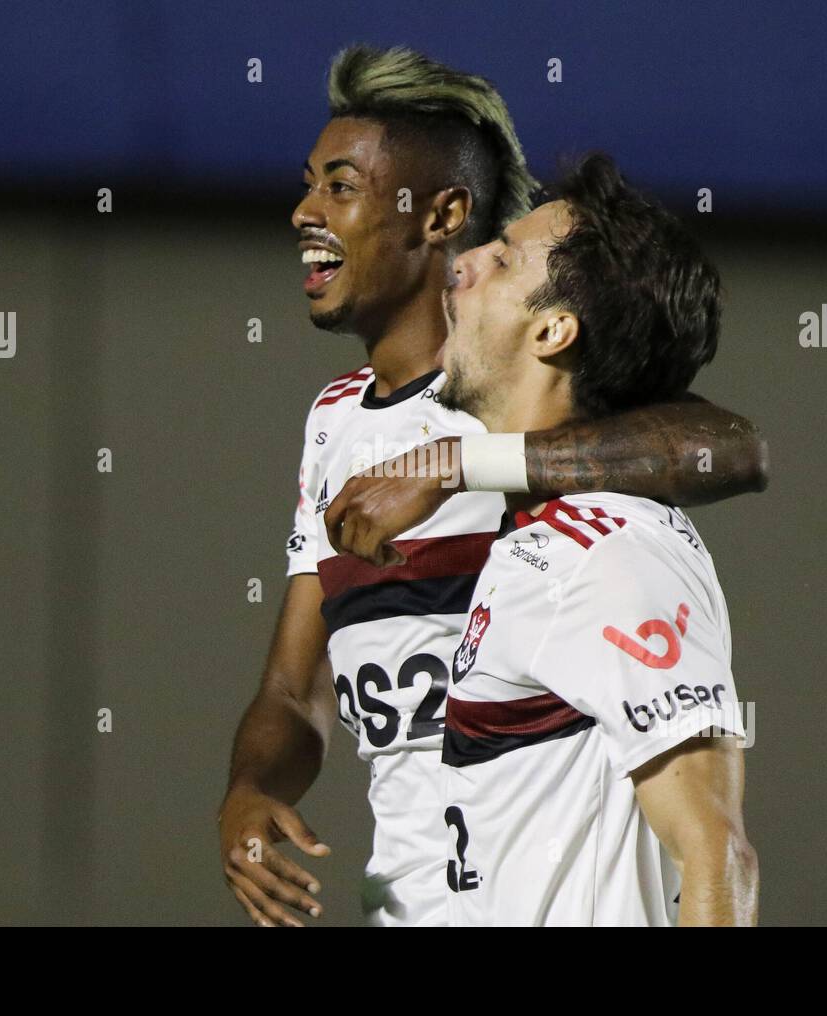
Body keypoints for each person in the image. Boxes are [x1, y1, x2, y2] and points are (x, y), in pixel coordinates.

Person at [220, 45, 766, 928]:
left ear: (442, 214)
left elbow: (731, 449)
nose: (304, 211)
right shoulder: (337, 421)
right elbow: (295, 685)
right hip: (417, 898)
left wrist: (458, 464)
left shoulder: (538, 412)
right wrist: (248, 791)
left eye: (341, 187)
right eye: (308, 182)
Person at [436, 153, 757, 925]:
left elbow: (717, 855)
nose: (464, 264)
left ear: (553, 330)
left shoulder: (607, 554)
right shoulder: (547, 537)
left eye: (503, 258)